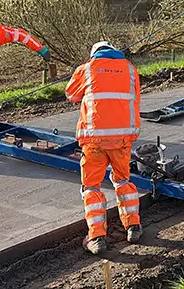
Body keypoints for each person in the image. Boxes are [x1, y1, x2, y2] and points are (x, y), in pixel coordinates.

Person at [65, 41, 142, 254]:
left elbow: (71, 96)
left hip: (94, 141)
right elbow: (134, 97)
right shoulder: (129, 68)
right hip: (122, 139)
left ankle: (97, 237)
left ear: (94, 54)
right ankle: (133, 226)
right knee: (123, 181)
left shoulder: (86, 69)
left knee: (91, 187)